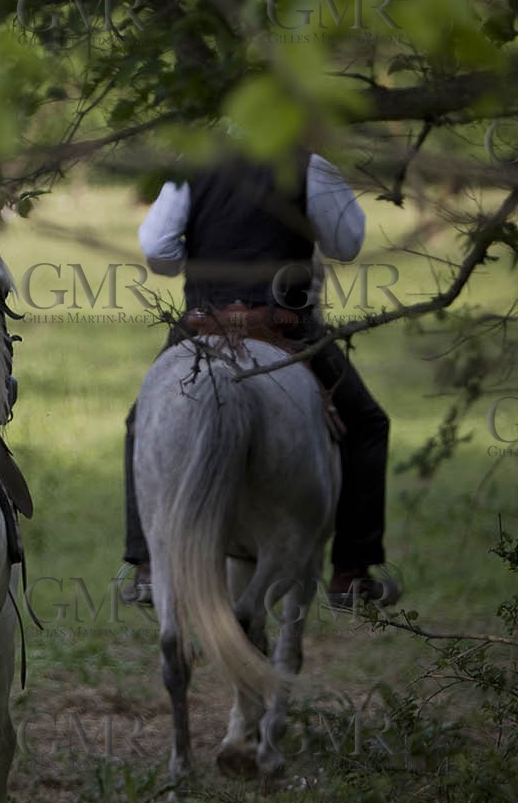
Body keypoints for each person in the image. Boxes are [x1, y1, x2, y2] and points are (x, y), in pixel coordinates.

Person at [121, 146, 399, 611]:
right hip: (285, 326)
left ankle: (148, 565)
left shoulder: (192, 165)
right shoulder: (309, 164)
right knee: (367, 424)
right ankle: (352, 571)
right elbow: (346, 245)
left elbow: (158, 251)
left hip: (203, 322)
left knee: (139, 421)